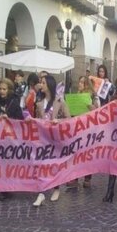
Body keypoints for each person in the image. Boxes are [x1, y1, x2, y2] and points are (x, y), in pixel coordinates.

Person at [32, 75, 71, 207]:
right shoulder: (38, 103)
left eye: (43, 83)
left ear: (49, 85)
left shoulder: (60, 101)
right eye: (40, 83)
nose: (40, 85)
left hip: (56, 139)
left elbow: (69, 119)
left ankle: (56, 188)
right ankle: (41, 193)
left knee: (54, 165)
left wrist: (58, 121)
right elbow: (36, 120)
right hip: (43, 140)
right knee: (42, 165)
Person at [0, 78, 24, 201]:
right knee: (1, 162)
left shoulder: (15, 102)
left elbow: (20, 119)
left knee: (9, 162)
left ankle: (9, 187)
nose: (1, 91)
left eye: (4, 89)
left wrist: (8, 117)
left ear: (9, 90)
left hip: (12, 137)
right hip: (0, 137)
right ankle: (4, 188)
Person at [75, 75, 100, 189]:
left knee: (87, 154)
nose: (79, 84)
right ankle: (74, 177)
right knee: (75, 153)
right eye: (79, 82)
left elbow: (98, 111)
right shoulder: (76, 96)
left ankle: (87, 177)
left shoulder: (94, 97)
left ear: (87, 85)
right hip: (76, 128)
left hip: (88, 129)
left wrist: (89, 105)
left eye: (82, 82)